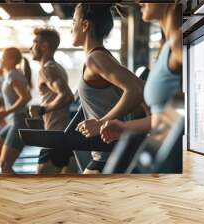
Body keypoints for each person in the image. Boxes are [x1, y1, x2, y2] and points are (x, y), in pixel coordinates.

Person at [71, 3, 145, 174]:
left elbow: (137, 89)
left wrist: (101, 123)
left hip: (109, 153)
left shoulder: (95, 58)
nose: (71, 27)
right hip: (107, 151)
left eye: (74, 21)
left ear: (85, 25)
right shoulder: (97, 57)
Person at [100, 3, 182, 147]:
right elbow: (161, 116)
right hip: (160, 147)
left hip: (177, 151)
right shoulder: (166, 46)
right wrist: (125, 127)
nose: (139, 3)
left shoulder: (177, 42)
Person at [29, 28, 76, 174]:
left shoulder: (47, 69)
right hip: (62, 134)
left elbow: (67, 96)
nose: (31, 48)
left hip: (55, 136)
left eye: (35, 42)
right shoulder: (57, 67)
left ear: (44, 46)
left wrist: (42, 109)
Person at [0, 47, 32, 174]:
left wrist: (6, 112)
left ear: (11, 60)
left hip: (20, 121)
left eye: (2, 57)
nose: (0, 60)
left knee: (5, 165)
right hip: (13, 121)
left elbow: (25, 97)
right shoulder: (10, 74)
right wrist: (5, 109)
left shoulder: (14, 74)